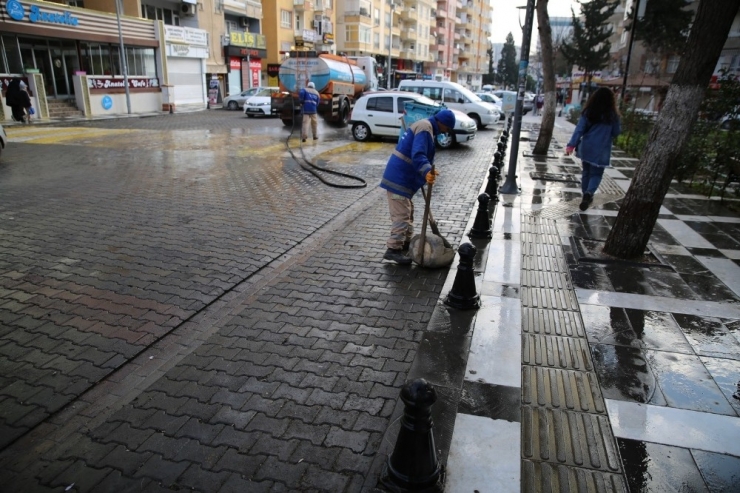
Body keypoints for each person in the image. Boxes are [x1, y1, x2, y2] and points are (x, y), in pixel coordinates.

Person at [379, 109, 456, 264]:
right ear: (442, 123)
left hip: (403, 178)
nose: (445, 131)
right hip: (398, 179)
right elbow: (418, 154)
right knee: (402, 215)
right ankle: (393, 249)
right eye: (446, 128)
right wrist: (427, 170)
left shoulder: (426, 126)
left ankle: (406, 244)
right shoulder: (425, 128)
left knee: (408, 212)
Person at [565, 87, 621, 211]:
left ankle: (585, 194)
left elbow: (579, 129)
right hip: (602, 149)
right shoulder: (612, 115)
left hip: (587, 146)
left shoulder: (589, 112)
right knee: (596, 174)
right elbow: (617, 132)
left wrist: (571, 145)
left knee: (586, 172)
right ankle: (589, 193)